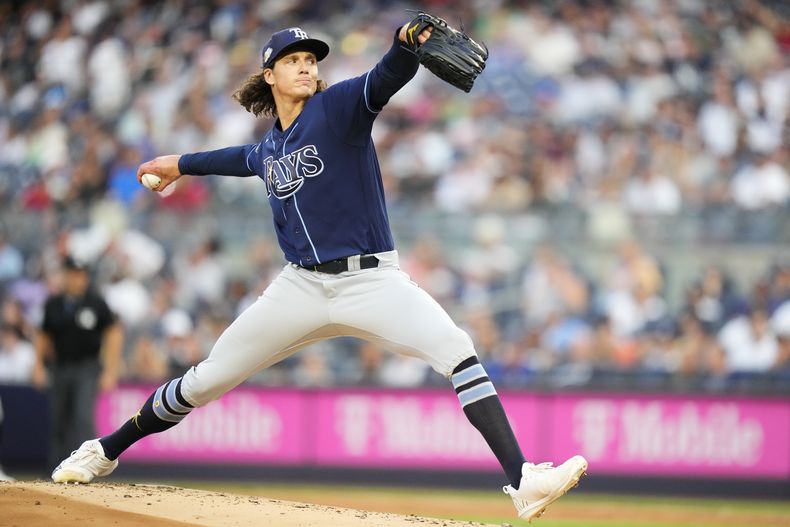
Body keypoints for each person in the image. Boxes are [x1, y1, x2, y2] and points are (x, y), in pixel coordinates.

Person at [50, 22, 587, 521]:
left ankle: (523, 480)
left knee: (456, 348)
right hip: (300, 286)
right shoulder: (271, 147)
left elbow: (384, 77)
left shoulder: (339, 108)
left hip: (371, 281)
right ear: (270, 75)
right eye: (294, 59)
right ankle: (103, 451)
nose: (306, 66)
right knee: (208, 378)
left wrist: (404, 45)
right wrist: (180, 163)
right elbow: (239, 157)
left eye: (311, 58)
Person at [33, 256, 123, 468]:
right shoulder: (53, 304)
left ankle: (87, 467)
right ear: (65, 276)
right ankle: (58, 468)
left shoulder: (96, 303)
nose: (77, 280)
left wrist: (111, 369)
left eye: (81, 275)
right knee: (59, 419)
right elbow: (43, 335)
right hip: (60, 367)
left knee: (82, 417)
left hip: (87, 368)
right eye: (73, 275)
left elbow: (114, 333)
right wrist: (37, 365)